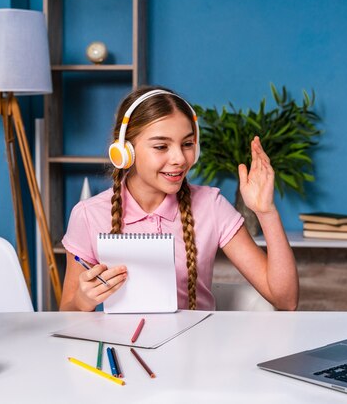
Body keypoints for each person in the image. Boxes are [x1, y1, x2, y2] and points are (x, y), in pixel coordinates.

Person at [59, 86, 298, 311]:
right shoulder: (89, 215)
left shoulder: (211, 206)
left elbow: (285, 300)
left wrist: (266, 212)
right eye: (161, 147)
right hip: (121, 350)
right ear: (124, 151)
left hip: (196, 349)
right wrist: (83, 299)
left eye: (187, 144)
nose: (180, 159)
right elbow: (67, 311)